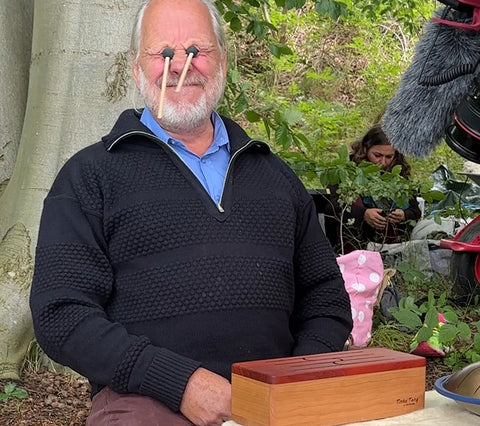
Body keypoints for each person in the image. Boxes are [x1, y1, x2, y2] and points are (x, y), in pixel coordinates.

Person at [29, 1, 353, 425]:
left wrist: (297, 376)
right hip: (148, 400)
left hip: (277, 397)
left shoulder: (275, 177)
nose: (181, 66)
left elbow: (325, 297)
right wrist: (178, 382)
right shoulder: (91, 176)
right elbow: (61, 312)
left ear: (222, 59)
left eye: (198, 49)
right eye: (163, 52)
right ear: (135, 67)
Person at [324, 124, 422, 254]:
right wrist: (363, 214)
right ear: (365, 149)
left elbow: (415, 210)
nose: (383, 162)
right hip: (356, 240)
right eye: (377, 155)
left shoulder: (397, 172)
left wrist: (404, 215)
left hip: (391, 243)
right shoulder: (347, 169)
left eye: (389, 157)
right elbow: (330, 206)